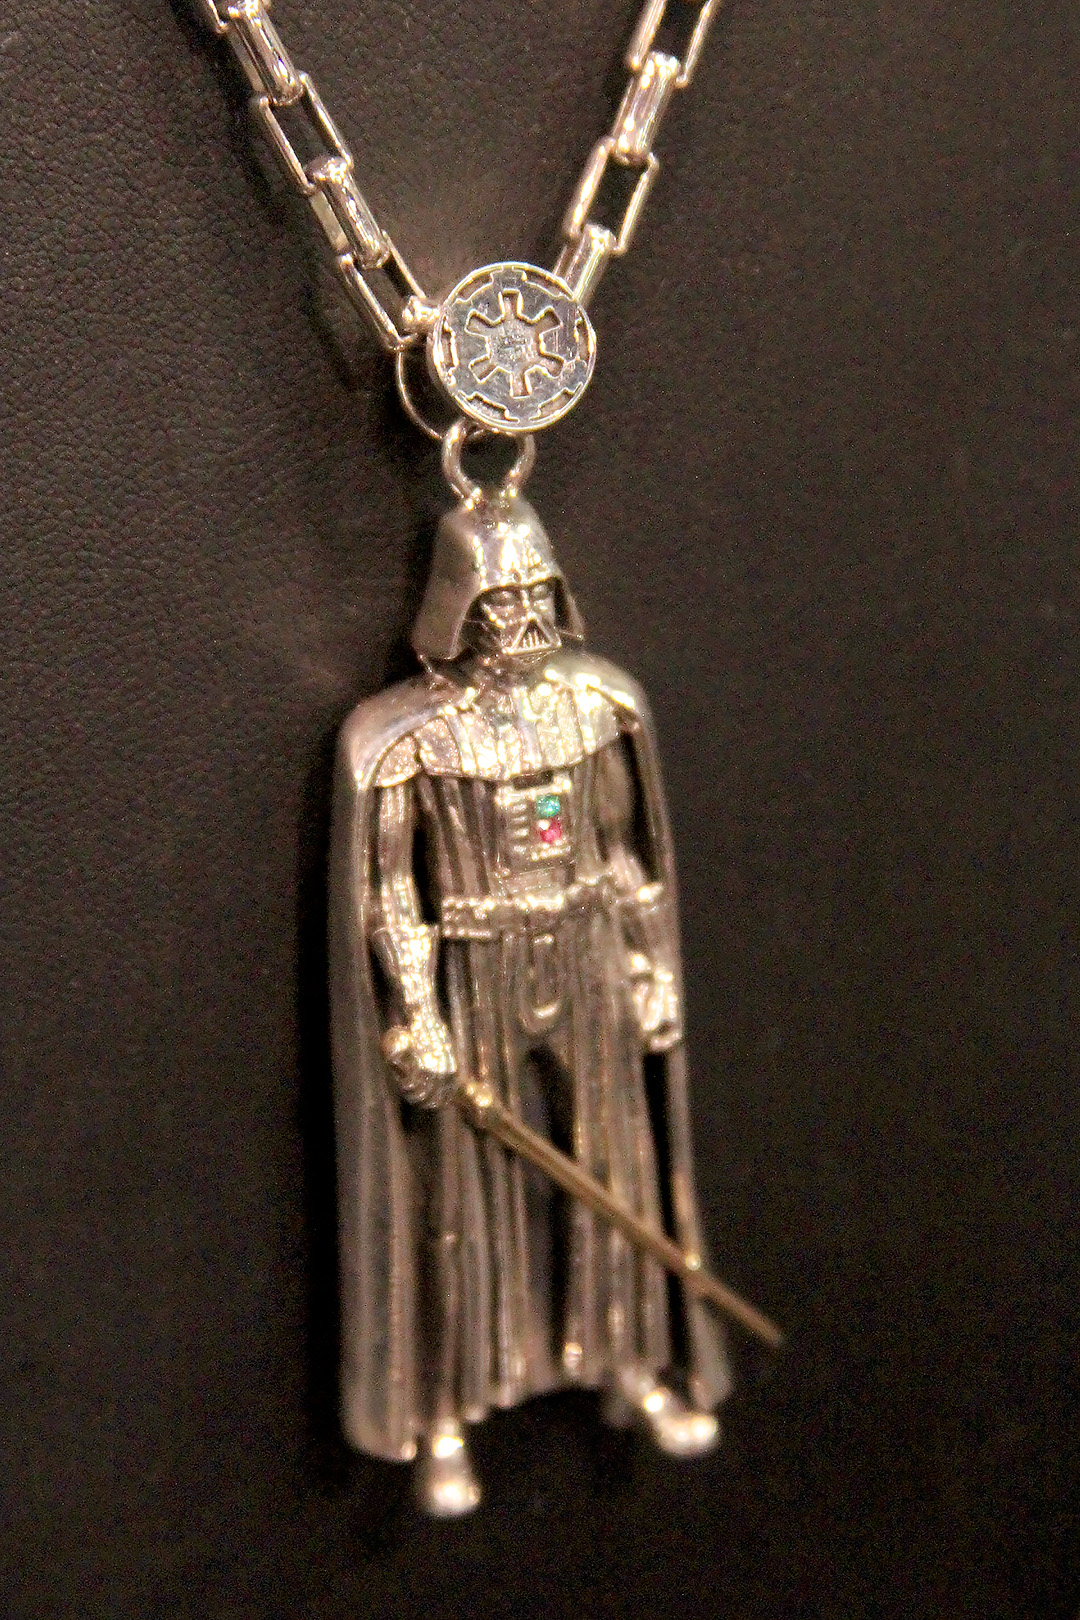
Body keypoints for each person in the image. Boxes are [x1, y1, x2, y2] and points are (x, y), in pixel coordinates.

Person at [330, 492, 731, 1515]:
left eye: (536, 598)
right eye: (499, 605)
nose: (521, 624)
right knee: (459, 1198)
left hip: (587, 952)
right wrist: (417, 1013)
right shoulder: (407, 739)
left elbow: (630, 855)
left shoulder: (599, 707)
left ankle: (631, 1363)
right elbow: (388, 894)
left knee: (615, 1166)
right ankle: (447, 1411)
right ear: (457, 609)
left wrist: (651, 967)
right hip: (476, 968)